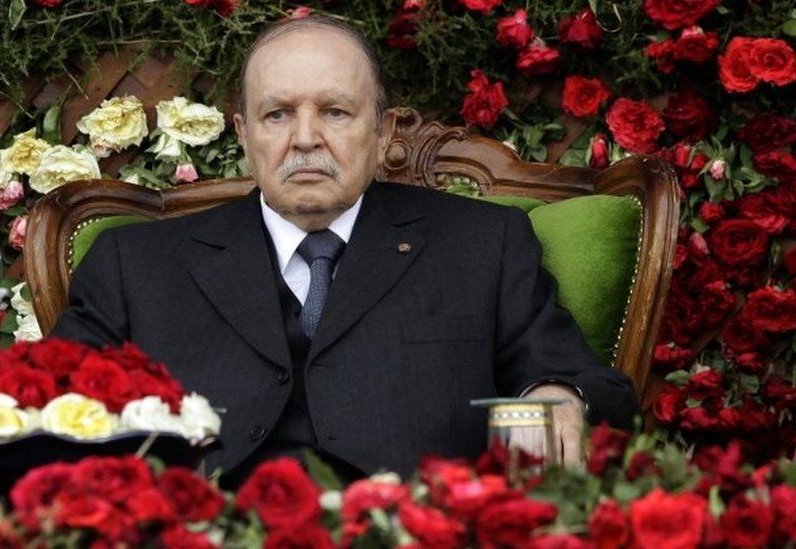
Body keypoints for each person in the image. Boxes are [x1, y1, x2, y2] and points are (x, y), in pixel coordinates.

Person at [52, 15, 637, 487]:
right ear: (244, 135)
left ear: (382, 132)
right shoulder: (136, 264)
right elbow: (47, 409)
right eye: (277, 114)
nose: (305, 138)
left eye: (334, 111)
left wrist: (560, 396)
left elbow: (590, 384)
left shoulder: (483, 245)